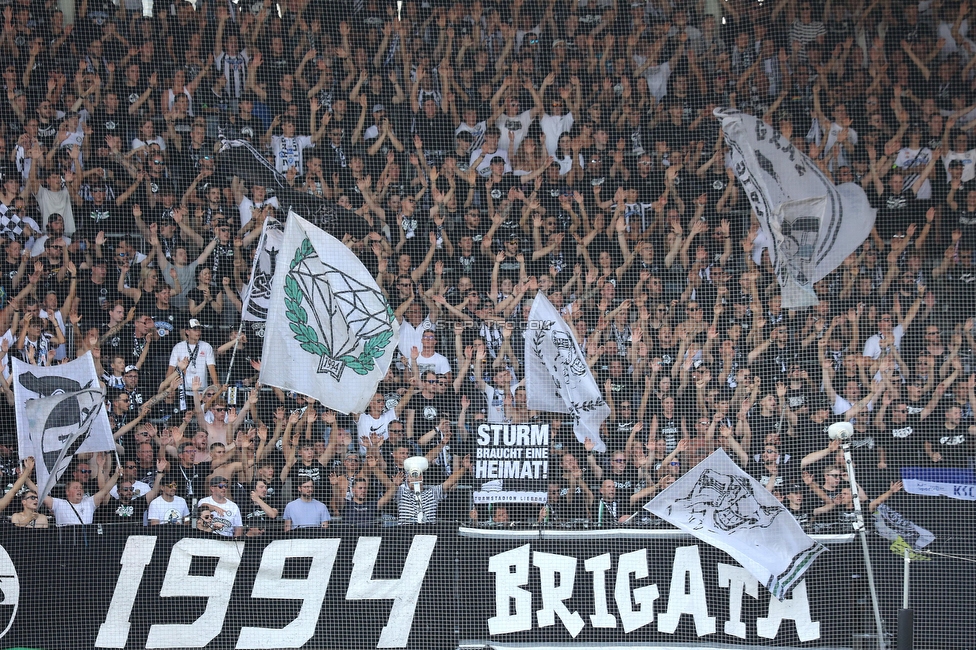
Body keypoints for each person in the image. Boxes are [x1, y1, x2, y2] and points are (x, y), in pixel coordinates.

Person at [39, 465, 121, 526]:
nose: (79, 490)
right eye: (75, 488)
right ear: (67, 491)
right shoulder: (59, 504)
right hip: (65, 543)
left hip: (86, 543)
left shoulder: (89, 502)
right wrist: (27, 475)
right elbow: (40, 493)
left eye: (81, 488)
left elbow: (105, 490)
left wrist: (116, 475)